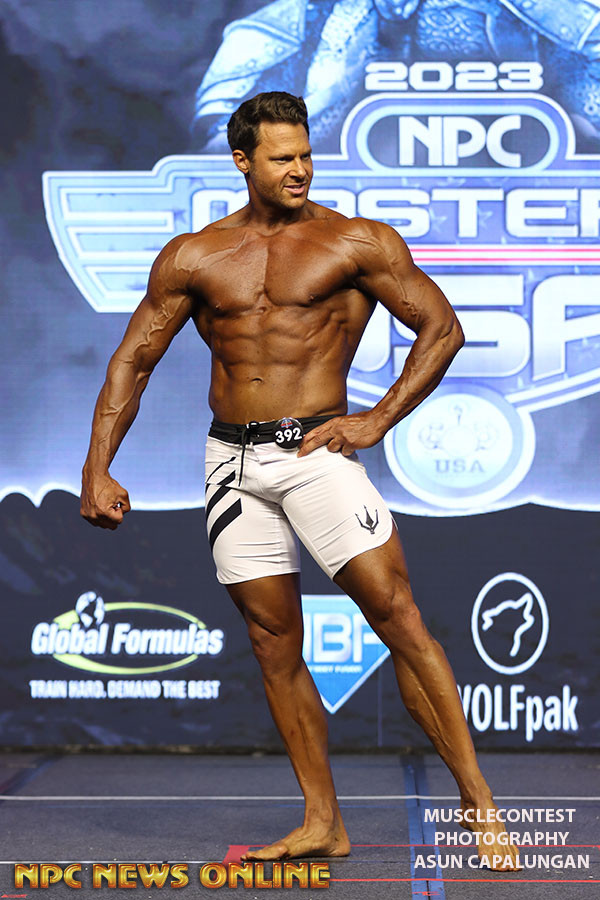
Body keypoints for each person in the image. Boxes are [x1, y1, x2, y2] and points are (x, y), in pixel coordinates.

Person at [81, 91, 520, 870]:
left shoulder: (353, 241)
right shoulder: (195, 256)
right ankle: (322, 821)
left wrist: (376, 420)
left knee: (397, 616)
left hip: (316, 454)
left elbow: (442, 328)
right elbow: (134, 359)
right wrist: (97, 465)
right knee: (272, 641)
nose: (299, 169)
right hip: (232, 463)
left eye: (306, 154)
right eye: (281, 157)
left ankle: (478, 802)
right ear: (242, 161)